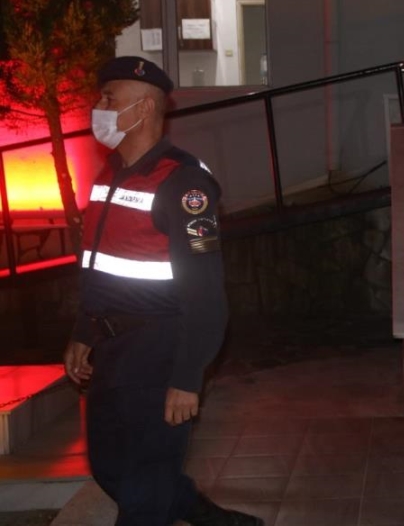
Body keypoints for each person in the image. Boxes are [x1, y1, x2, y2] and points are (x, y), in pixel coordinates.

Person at [63, 57, 263, 525]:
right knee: (109, 466)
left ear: (145, 108)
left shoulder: (184, 183)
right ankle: (215, 520)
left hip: (159, 347)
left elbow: (206, 293)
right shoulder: (109, 174)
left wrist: (188, 377)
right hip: (111, 347)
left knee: (145, 484)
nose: (99, 107)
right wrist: (84, 330)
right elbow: (100, 264)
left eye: (109, 98)